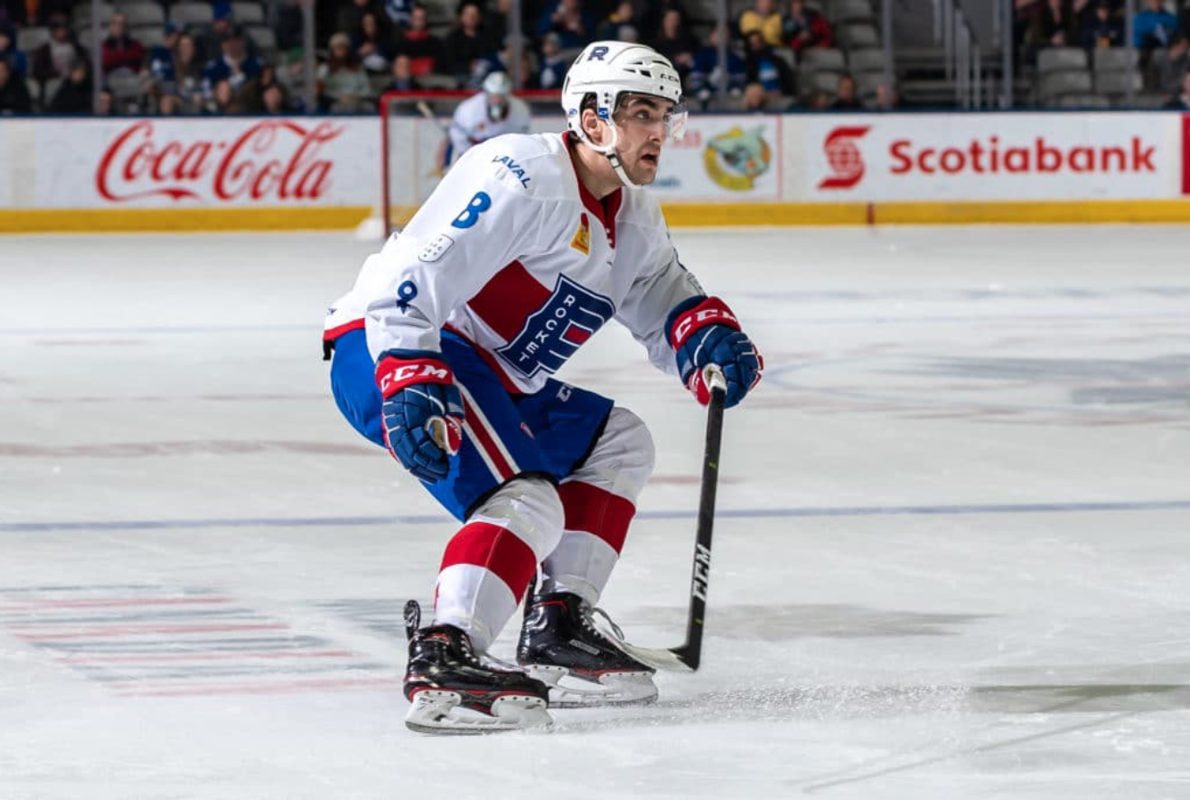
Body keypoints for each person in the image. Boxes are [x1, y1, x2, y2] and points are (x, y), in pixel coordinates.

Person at [321, 41, 763, 734]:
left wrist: (698, 332)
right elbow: (414, 275)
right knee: (526, 499)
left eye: (665, 114)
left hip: (484, 369)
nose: (658, 130)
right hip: (396, 346)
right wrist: (409, 368)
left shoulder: (633, 213)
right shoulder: (519, 173)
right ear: (591, 119)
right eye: (640, 112)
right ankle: (447, 650)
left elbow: (659, 294)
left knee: (617, 444)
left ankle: (559, 621)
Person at [444, 70, 530, 166]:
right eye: (493, 95)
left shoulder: (520, 110)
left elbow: (520, 141)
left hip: (502, 159)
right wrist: (473, 158)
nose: (497, 100)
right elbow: (458, 137)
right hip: (470, 154)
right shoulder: (468, 110)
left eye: (501, 96)